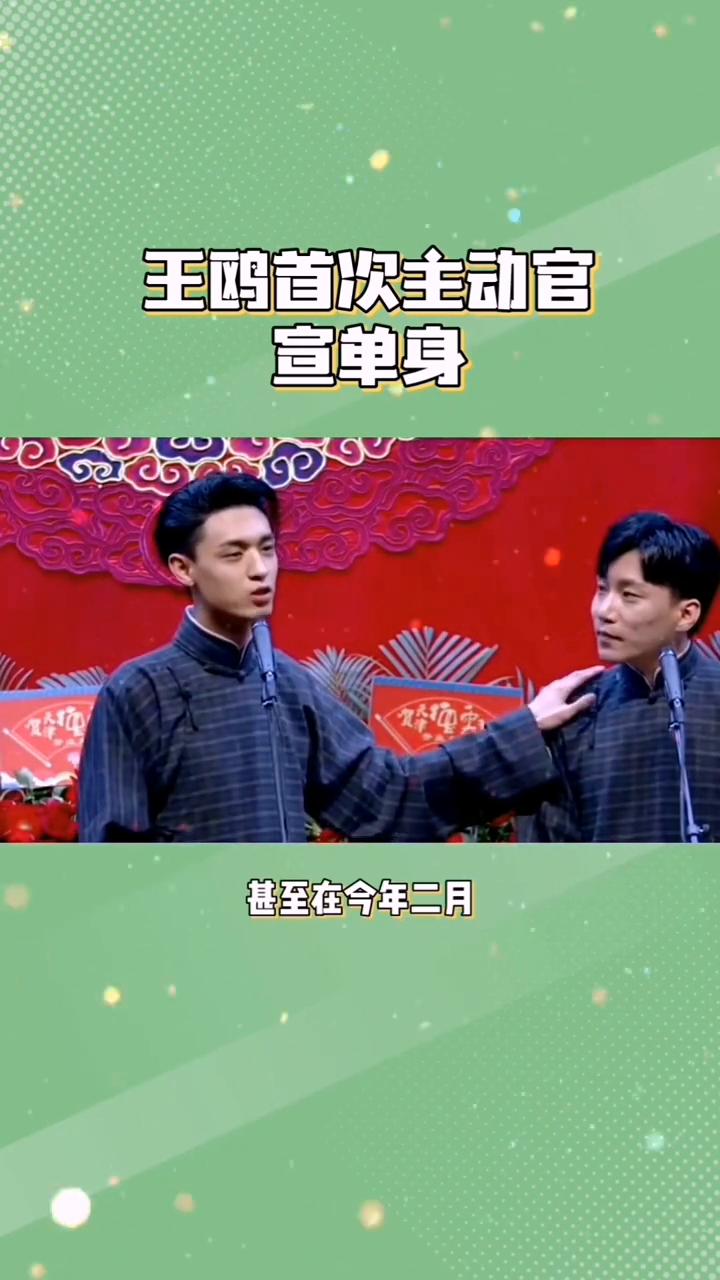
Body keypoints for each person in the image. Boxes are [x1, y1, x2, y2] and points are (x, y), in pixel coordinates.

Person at [78, 474, 600, 843]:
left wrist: (524, 729)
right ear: (182, 568)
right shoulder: (138, 692)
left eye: (267, 548)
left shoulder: (288, 683)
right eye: (234, 554)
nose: (260, 569)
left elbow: (389, 796)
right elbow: (112, 855)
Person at [517, 512, 720, 843]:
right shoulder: (574, 713)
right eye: (602, 590)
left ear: (686, 614)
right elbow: (547, 854)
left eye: (629, 595)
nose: (604, 611)